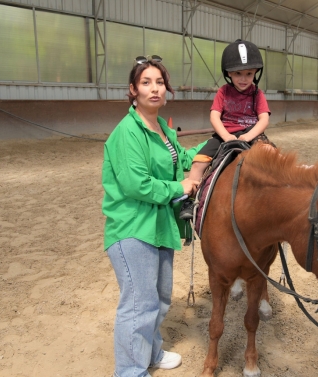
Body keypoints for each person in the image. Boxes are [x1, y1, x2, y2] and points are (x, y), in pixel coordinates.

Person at [102, 55, 206, 377]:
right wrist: (181, 186)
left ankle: (150, 353)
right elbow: (136, 184)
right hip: (133, 228)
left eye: (159, 82)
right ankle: (130, 371)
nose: (154, 88)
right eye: (146, 83)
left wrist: (212, 145)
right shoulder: (127, 132)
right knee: (139, 303)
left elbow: (182, 158)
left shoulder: (161, 128)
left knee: (159, 298)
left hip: (159, 226)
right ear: (133, 90)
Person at [178, 39, 271, 220]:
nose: (243, 79)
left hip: (252, 134)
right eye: (238, 73)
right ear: (228, 73)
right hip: (224, 135)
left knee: (273, 156)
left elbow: (264, 119)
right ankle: (189, 200)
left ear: (256, 73)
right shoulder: (223, 92)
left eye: (249, 74)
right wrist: (227, 136)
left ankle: (277, 198)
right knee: (198, 163)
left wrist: (248, 136)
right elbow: (214, 116)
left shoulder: (257, 94)